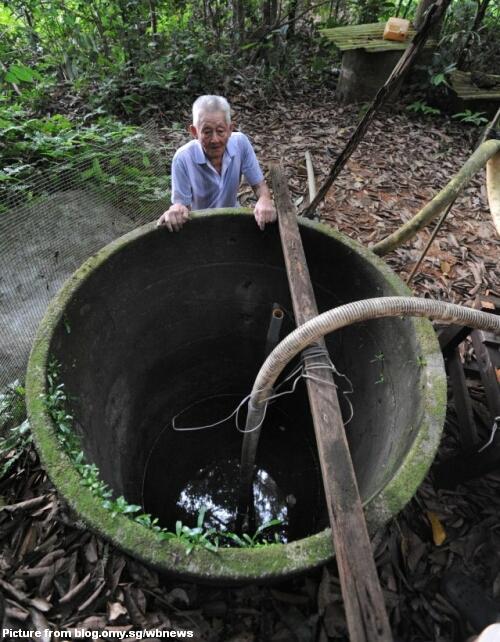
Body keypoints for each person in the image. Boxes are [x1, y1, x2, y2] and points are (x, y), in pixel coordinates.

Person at [156, 95, 276, 232]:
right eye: (207, 132)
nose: (215, 140)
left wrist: (264, 199)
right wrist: (177, 210)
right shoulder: (183, 158)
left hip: (232, 217)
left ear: (230, 129)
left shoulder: (240, 143)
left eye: (220, 131)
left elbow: (259, 185)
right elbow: (181, 206)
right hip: (199, 225)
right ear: (194, 132)